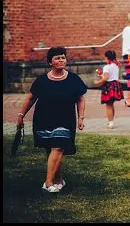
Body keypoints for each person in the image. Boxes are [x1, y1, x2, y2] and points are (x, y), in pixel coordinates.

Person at [15, 47, 87, 193]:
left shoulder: (73, 79)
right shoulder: (41, 81)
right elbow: (31, 98)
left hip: (65, 120)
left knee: (59, 146)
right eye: (57, 58)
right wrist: (21, 115)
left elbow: (80, 99)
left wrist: (81, 117)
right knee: (51, 149)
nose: (61, 60)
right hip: (44, 119)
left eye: (63, 57)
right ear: (50, 62)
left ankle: (48, 183)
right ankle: (59, 179)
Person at [93, 49, 123, 129]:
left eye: (105, 58)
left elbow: (106, 78)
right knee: (111, 104)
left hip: (109, 86)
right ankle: (111, 121)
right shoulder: (116, 65)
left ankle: (110, 123)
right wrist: (102, 75)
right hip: (115, 85)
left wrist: (98, 82)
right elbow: (110, 76)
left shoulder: (106, 67)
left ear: (107, 58)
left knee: (108, 106)